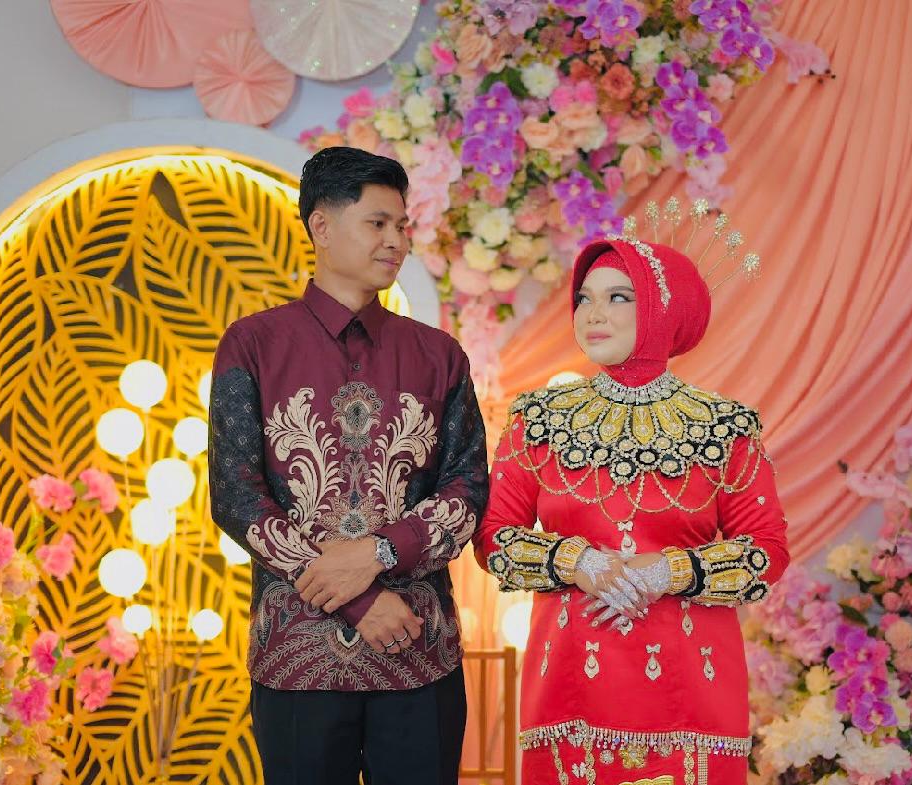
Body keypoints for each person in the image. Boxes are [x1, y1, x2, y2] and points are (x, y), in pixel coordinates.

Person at [472, 214, 789, 785]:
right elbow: (493, 536)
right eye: (584, 298)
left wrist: (664, 572)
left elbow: (766, 550)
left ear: (666, 309)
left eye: (619, 296)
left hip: (692, 680)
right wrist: (580, 563)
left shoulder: (724, 425)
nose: (593, 314)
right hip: (571, 673)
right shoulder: (539, 419)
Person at [208, 146, 488, 785]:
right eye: (378, 223)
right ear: (322, 227)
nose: (397, 241)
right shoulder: (253, 344)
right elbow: (236, 494)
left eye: (402, 226)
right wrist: (359, 598)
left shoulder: (439, 354)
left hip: (418, 653)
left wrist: (379, 553)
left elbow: (468, 488)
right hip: (299, 660)